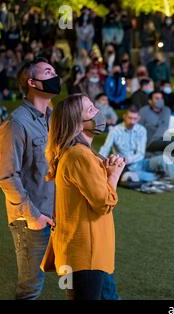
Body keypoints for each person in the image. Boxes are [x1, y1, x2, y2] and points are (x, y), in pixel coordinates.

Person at [44, 93, 124, 300]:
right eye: (91, 111)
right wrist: (114, 176)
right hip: (86, 254)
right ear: (77, 125)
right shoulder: (79, 155)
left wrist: (105, 174)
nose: (98, 113)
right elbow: (103, 202)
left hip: (84, 251)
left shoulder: (78, 153)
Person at [0, 57, 60, 299]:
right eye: (48, 72)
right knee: (30, 288)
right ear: (32, 82)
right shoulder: (15, 123)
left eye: (54, 70)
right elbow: (6, 177)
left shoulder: (53, 118)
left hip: (56, 214)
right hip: (31, 220)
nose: (55, 76)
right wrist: (33, 216)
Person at [99, 107, 174, 186]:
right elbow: (105, 148)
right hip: (126, 167)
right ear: (125, 116)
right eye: (130, 118)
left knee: (163, 159)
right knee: (133, 176)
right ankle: (161, 175)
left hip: (142, 162)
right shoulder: (115, 131)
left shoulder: (141, 130)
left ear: (138, 118)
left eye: (135, 118)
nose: (132, 121)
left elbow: (141, 154)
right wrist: (99, 163)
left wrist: (129, 159)